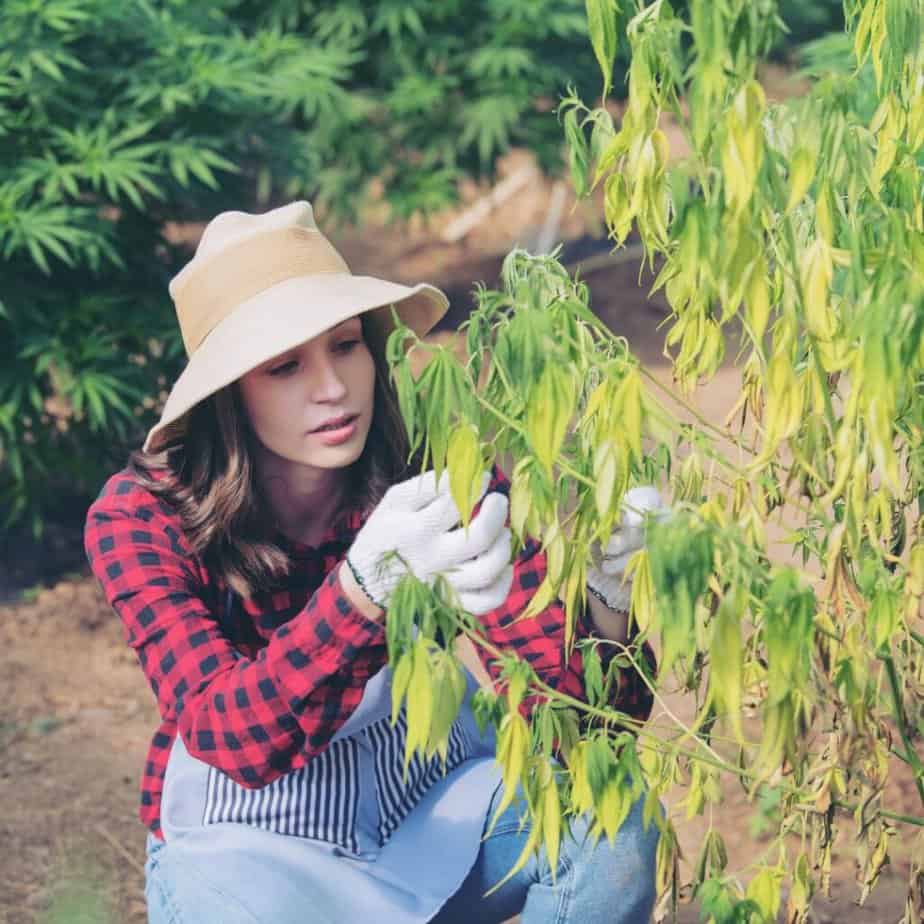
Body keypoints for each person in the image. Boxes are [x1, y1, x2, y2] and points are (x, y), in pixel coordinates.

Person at [84, 201, 667, 924]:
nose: (332, 388)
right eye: (286, 366)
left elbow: (583, 732)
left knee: (611, 820)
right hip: (251, 854)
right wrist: (364, 592)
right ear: (228, 395)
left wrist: (607, 601)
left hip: (428, 813)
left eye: (347, 345)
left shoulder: (430, 474)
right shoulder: (143, 517)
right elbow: (230, 735)